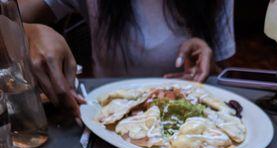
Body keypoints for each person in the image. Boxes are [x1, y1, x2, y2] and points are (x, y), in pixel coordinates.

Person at [18, 0, 235, 116]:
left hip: (192, 131)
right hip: (106, 124)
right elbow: (7, 13)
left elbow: (219, 78)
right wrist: (27, 33)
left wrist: (205, 62)